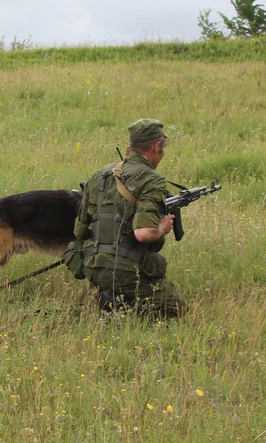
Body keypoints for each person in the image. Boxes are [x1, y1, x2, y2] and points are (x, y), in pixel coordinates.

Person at [72, 119, 187, 318]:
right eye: (164, 147)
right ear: (157, 146)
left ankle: (110, 295)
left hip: (92, 266)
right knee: (178, 309)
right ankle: (122, 308)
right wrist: (162, 227)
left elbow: (79, 233)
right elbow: (143, 234)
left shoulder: (100, 174)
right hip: (123, 271)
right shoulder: (151, 179)